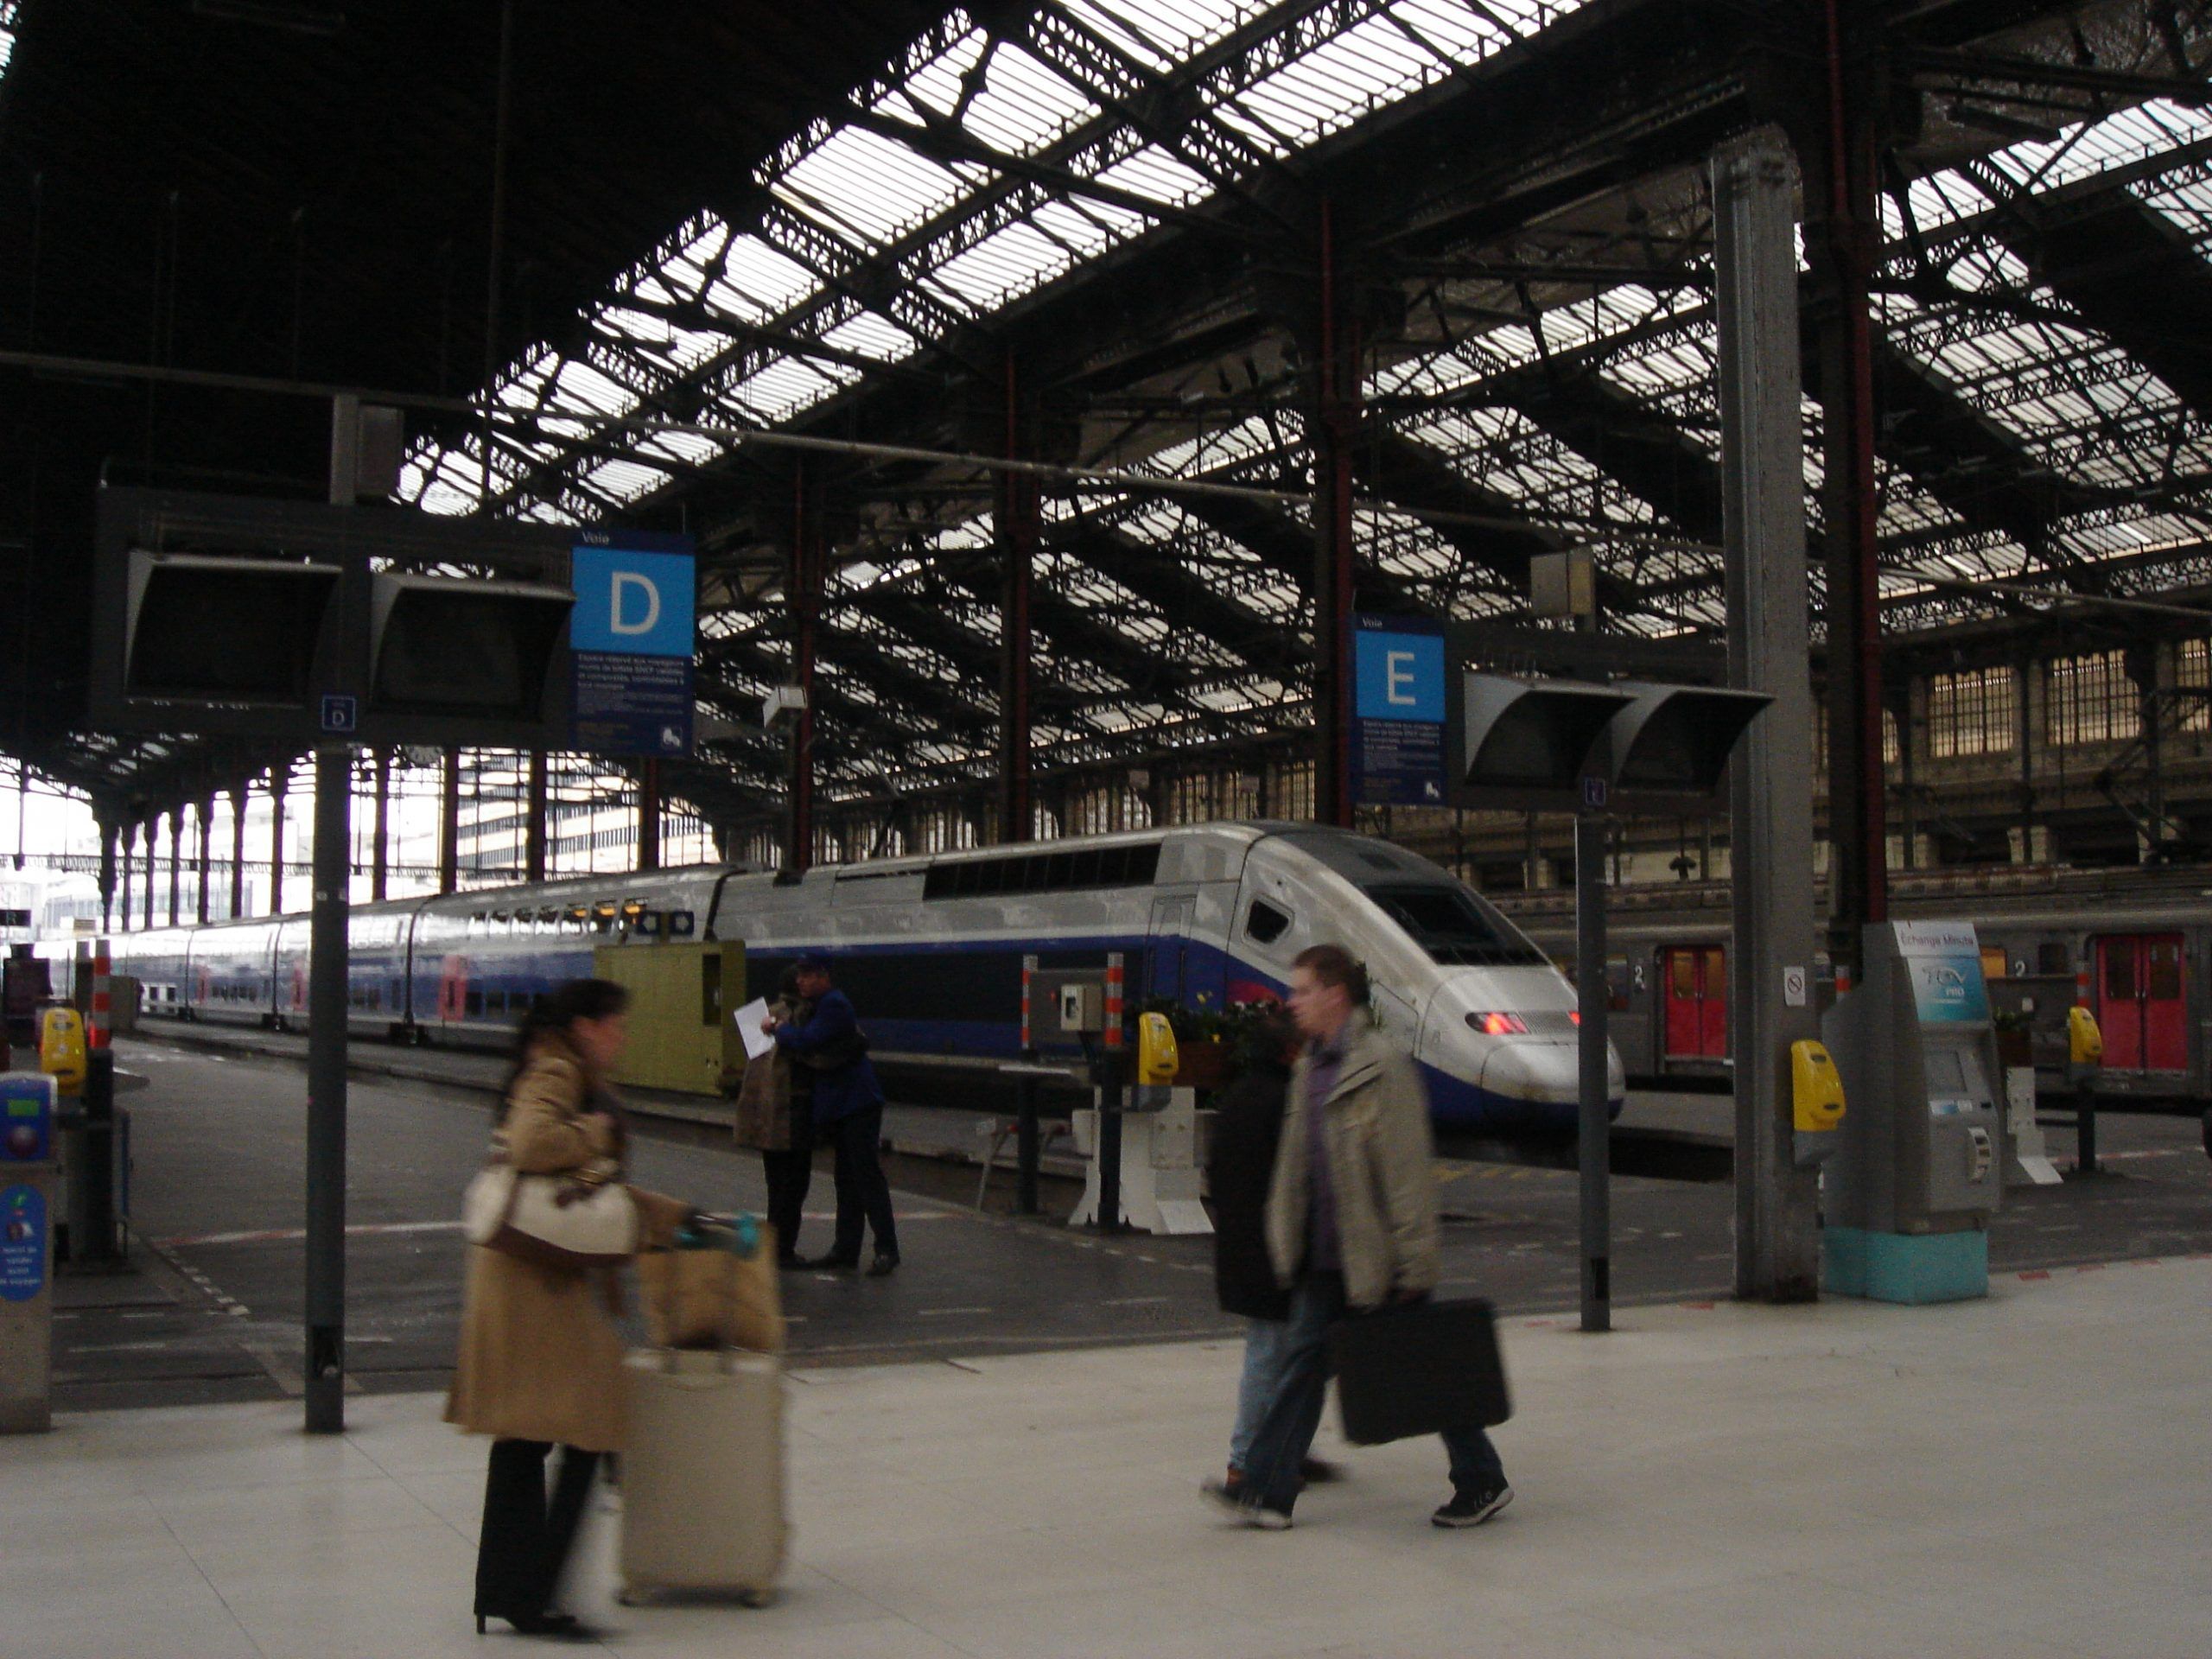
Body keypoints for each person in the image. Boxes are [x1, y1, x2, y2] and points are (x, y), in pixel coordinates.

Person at [1204, 944, 1513, 1531]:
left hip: (1376, 1257)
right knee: (1300, 1372)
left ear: (1335, 995)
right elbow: (1299, 1170)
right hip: (1325, 1260)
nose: (1291, 1002)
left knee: (1423, 1370)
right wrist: (1284, 1241)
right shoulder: (1308, 1070)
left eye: (1302, 990)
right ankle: (1266, 1491)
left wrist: (1414, 1263)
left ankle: (1481, 1478)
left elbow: (1406, 1174)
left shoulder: (1380, 1068)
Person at [447, 978, 691, 1639]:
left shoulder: (556, 1064)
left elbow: (581, 1186)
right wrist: (595, 1129)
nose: (622, 1039)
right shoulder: (558, 1069)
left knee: (527, 1435)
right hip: (536, 1281)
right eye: (616, 1026)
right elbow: (533, 1146)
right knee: (591, 1424)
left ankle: (509, 1591)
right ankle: (533, 1595)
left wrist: (676, 1220)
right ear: (586, 1027)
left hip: (530, 1273)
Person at [1207, 1003, 1343, 1500]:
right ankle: (1246, 1465)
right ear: (1292, 1051)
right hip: (1274, 1252)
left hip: (1242, 1247)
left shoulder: (1240, 1095)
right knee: (1274, 1357)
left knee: (1287, 1355)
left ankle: (1280, 1450)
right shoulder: (1288, 1101)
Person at [765, 957, 898, 1276]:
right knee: (847, 1182)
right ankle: (846, 1249)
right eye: (798, 977)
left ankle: (886, 1249)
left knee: (867, 1178)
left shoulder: (834, 1005)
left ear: (823, 977)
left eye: (807, 976)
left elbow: (807, 1040)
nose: (801, 982)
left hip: (858, 1105)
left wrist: (779, 1029)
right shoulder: (819, 1006)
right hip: (842, 1107)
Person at [735, 965, 814, 1269]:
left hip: (765, 1117)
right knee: (794, 1188)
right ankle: (783, 1251)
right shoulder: (800, 1017)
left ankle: (773, 1247)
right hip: (791, 1117)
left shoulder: (763, 1014)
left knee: (776, 1186)